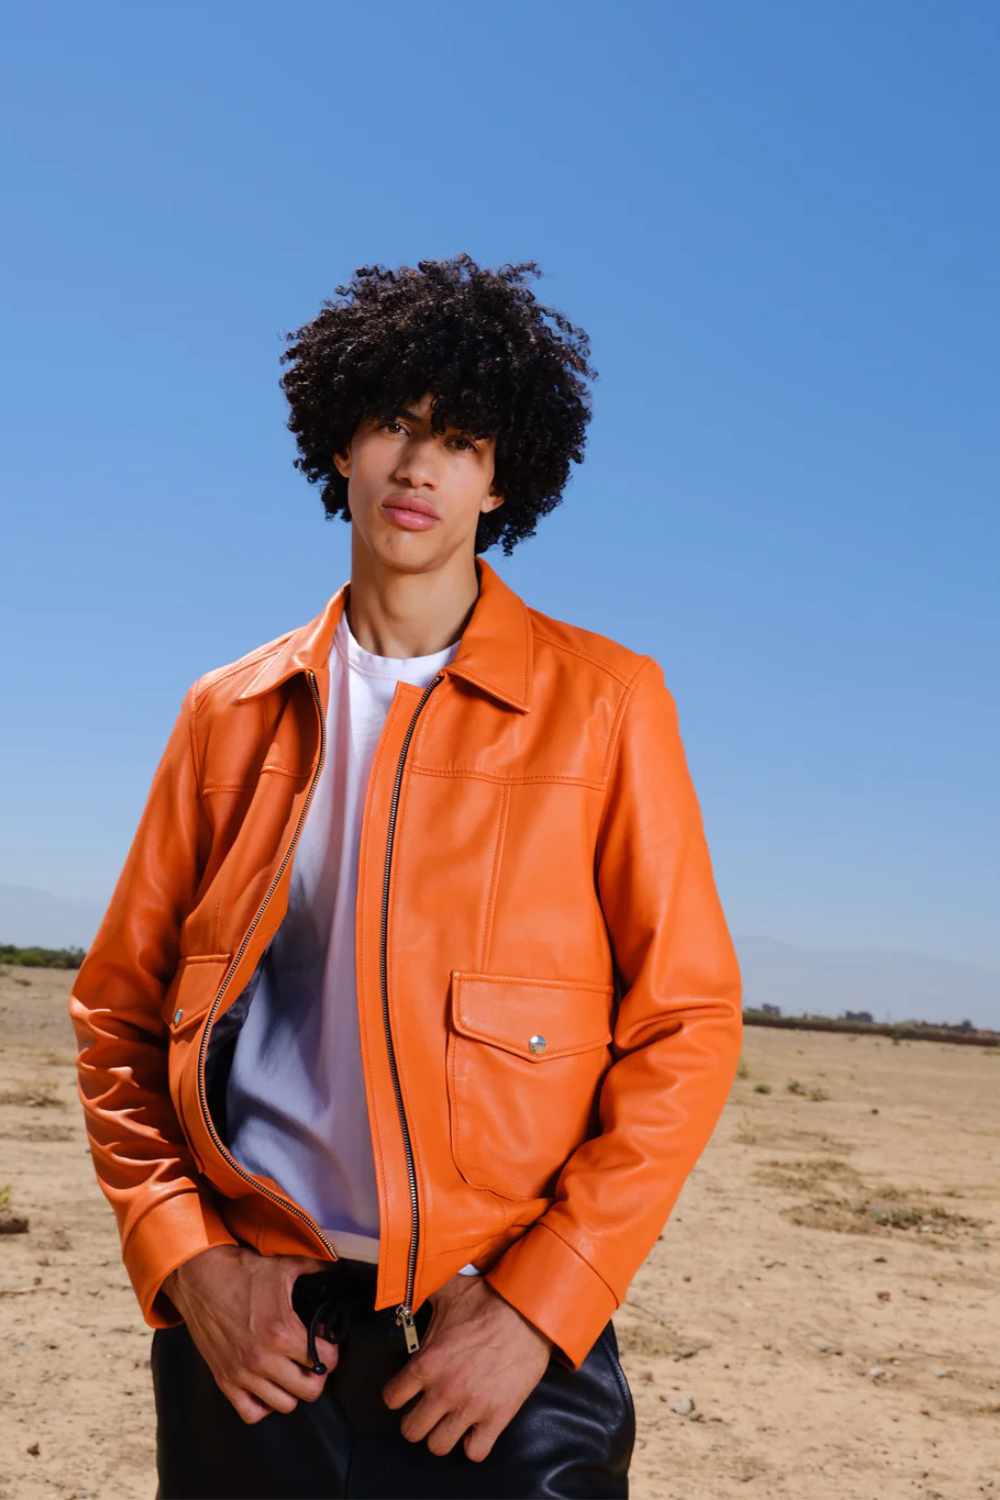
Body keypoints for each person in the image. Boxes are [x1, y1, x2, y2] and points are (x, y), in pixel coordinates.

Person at [69, 253, 743, 1499]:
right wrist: (191, 1269)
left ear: (505, 477)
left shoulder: (606, 707)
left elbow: (685, 1023)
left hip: (495, 1349)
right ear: (340, 443)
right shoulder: (227, 714)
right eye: (391, 423)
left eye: (462, 439)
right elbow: (115, 1016)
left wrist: (544, 1308)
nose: (419, 464)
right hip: (259, 1343)